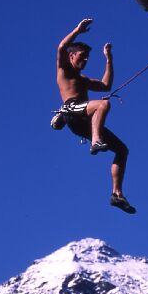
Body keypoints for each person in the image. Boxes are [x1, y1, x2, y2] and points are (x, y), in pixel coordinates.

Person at [53, 18, 135, 214]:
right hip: (71, 109)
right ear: (72, 56)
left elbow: (106, 85)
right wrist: (78, 30)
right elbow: (62, 46)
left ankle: (117, 194)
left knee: (122, 150)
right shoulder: (64, 70)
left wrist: (109, 59)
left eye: (88, 57)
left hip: (84, 122)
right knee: (103, 104)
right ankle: (95, 140)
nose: (85, 60)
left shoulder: (83, 80)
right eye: (82, 56)